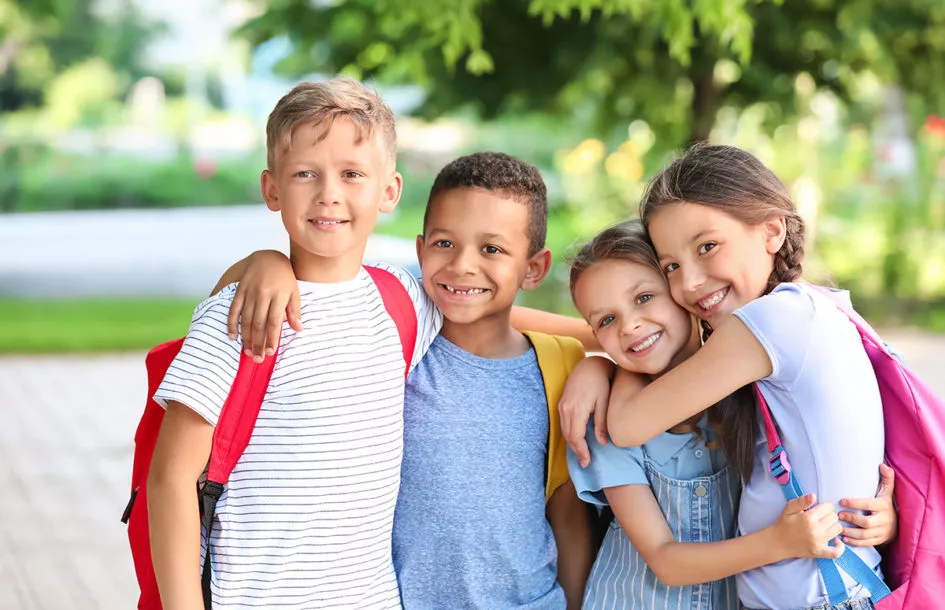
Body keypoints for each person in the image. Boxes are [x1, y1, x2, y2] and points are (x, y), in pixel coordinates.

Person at [223, 152, 598, 608]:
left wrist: (600, 356)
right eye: (444, 243)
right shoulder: (388, 343)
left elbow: (568, 516)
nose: (462, 265)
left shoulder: (560, 367)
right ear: (420, 250)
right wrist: (265, 262)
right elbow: (305, 293)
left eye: (492, 249)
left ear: (534, 268)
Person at [147, 77, 443, 609]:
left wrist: (593, 336)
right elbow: (169, 479)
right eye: (306, 173)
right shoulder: (242, 316)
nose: (329, 192)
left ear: (390, 191)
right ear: (272, 189)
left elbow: (491, 310)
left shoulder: (400, 300)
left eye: (353, 174)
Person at [562, 144, 897, 609]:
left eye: (707, 247)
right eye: (673, 267)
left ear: (772, 230)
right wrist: (597, 359)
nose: (692, 283)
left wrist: (602, 363)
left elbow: (628, 424)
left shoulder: (772, 324)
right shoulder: (802, 315)